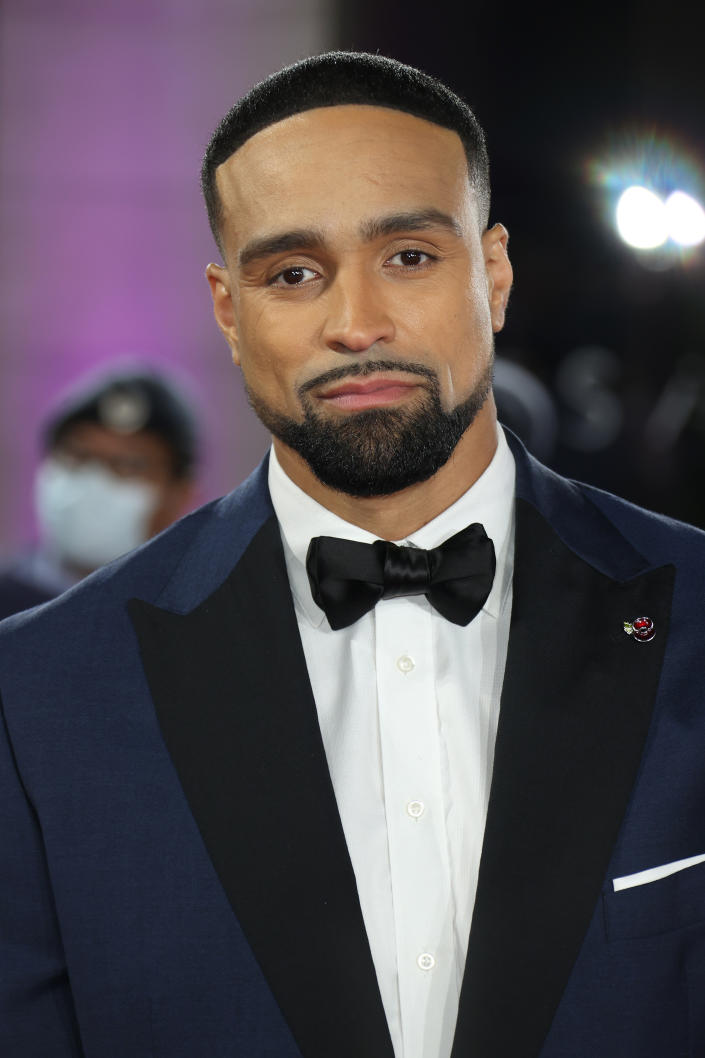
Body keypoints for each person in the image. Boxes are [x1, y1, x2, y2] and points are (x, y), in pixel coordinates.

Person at [0, 51, 703, 1058]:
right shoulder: (38, 695)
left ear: (493, 273)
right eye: (293, 273)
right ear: (229, 311)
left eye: (409, 256)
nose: (356, 323)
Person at [0, 366, 198, 619]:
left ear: (182, 494)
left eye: (128, 466)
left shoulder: (198, 619)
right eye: (77, 456)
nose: (93, 481)